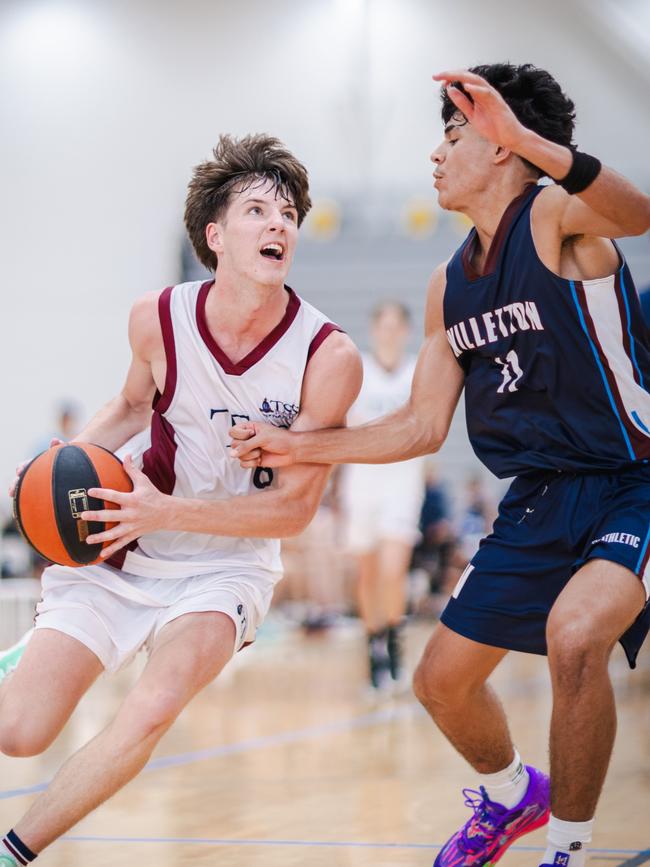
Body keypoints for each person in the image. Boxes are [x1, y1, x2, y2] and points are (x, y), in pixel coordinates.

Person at [230, 64, 650, 867]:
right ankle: (508, 796)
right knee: (439, 682)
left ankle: (569, 848)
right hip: (535, 499)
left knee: (574, 637)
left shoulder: (559, 216)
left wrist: (529, 139)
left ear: (499, 148)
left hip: (631, 481)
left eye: (452, 136)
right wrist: (300, 445)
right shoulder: (446, 287)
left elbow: (640, 212)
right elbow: (422, 425)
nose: (434, 156)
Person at [0, 133, 362, 866]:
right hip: (128, 542)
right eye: (257, 210)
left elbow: (293, 513)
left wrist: (168, 511)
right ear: (215, 235)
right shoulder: (157, 317)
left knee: (152, 707)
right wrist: (47, 467)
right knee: (21, 732)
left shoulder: (328, 358)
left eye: (288, 213)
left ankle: (14, 850)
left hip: (226, 569)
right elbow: (131, 407)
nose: (278, 225)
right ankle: (25, 656)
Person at [340, 301, 425, 691]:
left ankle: (394, 645)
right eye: (383, 325)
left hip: (402, 481)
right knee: (367, 573)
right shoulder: (357, 371)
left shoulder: (416, 373)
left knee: (394, 570)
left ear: (405, 331)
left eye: (396, 326)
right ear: (374, 330)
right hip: (362, 480)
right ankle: (372, 646)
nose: (389, 332)